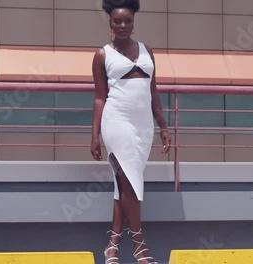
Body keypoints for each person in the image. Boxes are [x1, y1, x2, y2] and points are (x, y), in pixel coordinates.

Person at [90, 0, 171, 263]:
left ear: (133, 24)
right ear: (110, 23)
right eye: (117, 21)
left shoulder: (148, 51)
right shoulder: (102, 55)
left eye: (127, 21)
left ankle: (112, 244)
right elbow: (100, 97)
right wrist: (94, 135)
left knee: (124, 185)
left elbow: (153, 91)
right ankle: (139, 245)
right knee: (130, 183)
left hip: (143, 125)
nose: (122, 25)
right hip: (116, 121)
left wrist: (163, 126)